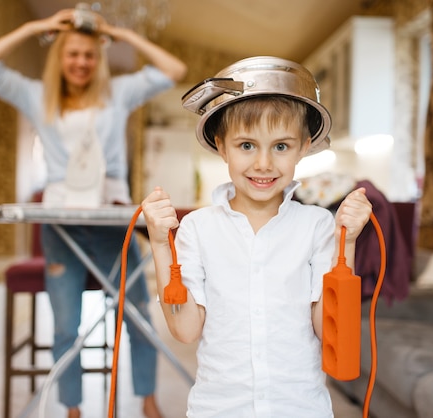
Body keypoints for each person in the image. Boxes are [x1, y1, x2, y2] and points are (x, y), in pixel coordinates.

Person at [0, 7, 187, 418]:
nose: (81, 62)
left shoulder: (117, 94)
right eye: (72, 54)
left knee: (137, 315)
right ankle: (72, 408)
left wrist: (117, 33)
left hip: (111, 222)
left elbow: (174, 68)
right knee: (66, 325)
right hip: (62, 225)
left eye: (89, 54)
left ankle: (148, 400)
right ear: (59, 56)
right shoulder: (37, 96)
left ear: (98, 57)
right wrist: (36, 27)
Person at [141, 56, 372, 417]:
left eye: (280, 146)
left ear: (304, 146)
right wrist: (159, 244)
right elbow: (185, 329)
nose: (264, 163)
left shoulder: (317, 226)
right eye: (246, 145)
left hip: (300, 409)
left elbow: (328, 331)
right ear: (221, 146)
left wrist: (349, 242)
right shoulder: (198, 229)